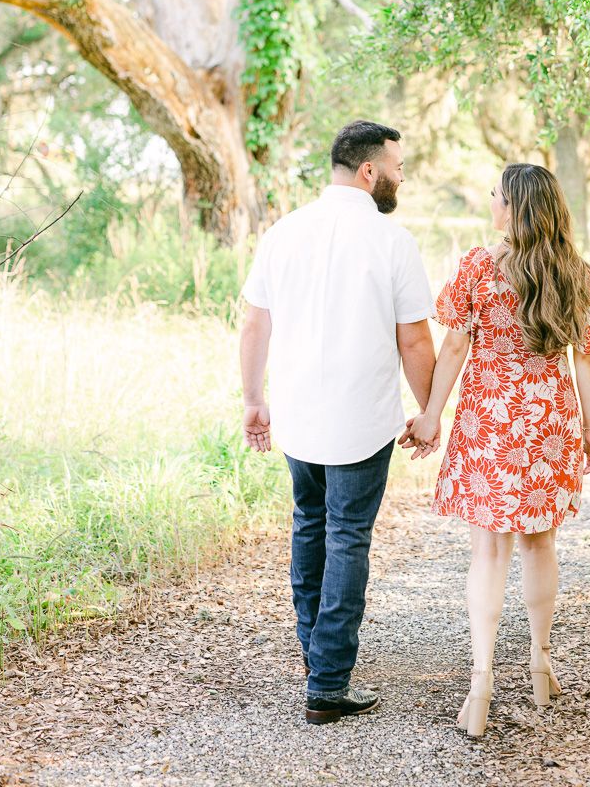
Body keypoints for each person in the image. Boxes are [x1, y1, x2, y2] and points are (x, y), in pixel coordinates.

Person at [407, 163, 590, 737]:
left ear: (516, 208)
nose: (491, 203)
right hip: (550, 420)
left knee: (489, 552)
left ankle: (481, 682)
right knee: (540, 542)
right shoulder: (574, 271)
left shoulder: (478, 265)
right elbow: (588, 358)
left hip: (490, 418)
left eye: (497, 196)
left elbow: (453, 347)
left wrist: (431, 416)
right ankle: (540, 661)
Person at [240, 120, 436, 725]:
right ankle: (326, 682)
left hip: (299, 415)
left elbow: (254, 324)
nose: (402, 177)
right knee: (348, 535)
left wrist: (254, 399)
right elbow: (415, 342)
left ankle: (315, 656)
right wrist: (429, 412)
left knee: (309, 525)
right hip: (361, 419)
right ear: (368, 171)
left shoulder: (283, 233)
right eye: (398, 167)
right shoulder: (392, 241)